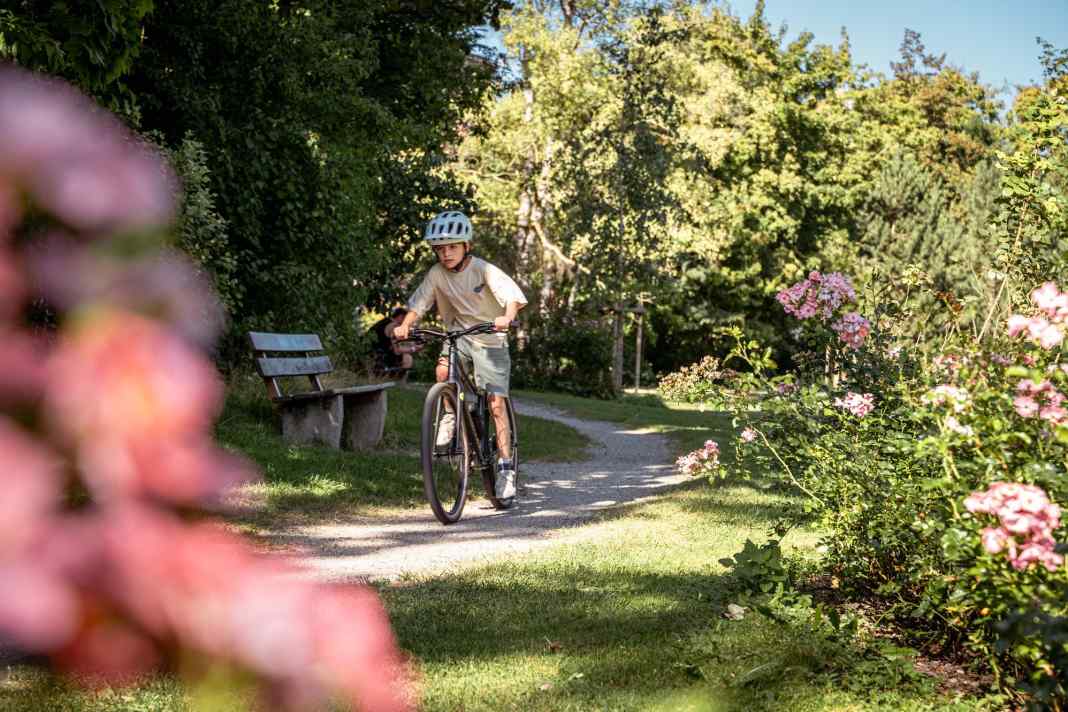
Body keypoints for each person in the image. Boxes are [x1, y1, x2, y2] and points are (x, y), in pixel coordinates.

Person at [394, 210, 527, 502]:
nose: (445, 253)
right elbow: (420, 302)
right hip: (458, 336)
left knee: (495, 403)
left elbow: (512, 297)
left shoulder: (483, 270)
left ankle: (506, 470)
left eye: (452, 246)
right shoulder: (436, 274)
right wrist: (405, 324)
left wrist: (506, 317)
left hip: (490, 338)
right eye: (440, 248)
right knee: (442, 373)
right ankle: (452, 414)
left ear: (466, 245)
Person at [368, 306, 415, 378]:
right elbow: (397, 351)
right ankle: (399, 382)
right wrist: (413, 349)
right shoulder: (393, 326)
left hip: (372, 351)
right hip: (377, 355)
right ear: (401, 316)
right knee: (407, 357)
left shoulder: (385, 321)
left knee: (404, 355)